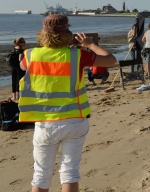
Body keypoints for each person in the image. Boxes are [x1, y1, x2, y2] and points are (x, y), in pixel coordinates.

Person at [18, 14, 117, 192]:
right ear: (68, 32)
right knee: (70, 173)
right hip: (74, 121)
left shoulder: (31, 55)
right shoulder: (78, 55)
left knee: (41, 175)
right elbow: (111, 60)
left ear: (43, 33)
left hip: (45, 123)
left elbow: (23, 66)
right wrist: (90, 44)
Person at [11, 37, 26, 101]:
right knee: (19, 81)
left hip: (13, 67)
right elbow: (20, 59)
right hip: (18, 68)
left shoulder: (14, 49)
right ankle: (18, 96)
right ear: (20, 43)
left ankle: (13, 97)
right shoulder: (21, 50)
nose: (25, 43)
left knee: (13, 81)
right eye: (23, 42)